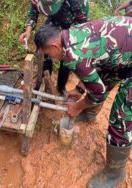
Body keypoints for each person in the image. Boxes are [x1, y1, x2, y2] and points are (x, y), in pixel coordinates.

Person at [34, 16, 132, 188]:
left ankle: (114, 174)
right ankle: (90, 114)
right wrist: (79, 90)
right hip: (123, 54)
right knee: (107, 78)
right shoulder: (73, 32)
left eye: (49, 54)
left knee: (121, 117)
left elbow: (99, 94)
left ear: (54, 46)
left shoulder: (73, 56)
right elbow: (96, 61)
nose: (53, 58)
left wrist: (77, 107)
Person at [19, 0, 89, 94]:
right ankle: (46, 81)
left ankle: (61, 87)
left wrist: (67, 38)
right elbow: (33, 11)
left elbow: (81, 23)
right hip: (53, 20)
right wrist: (28, 30)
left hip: (72, 24)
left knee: (67, 55)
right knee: (43, 46)